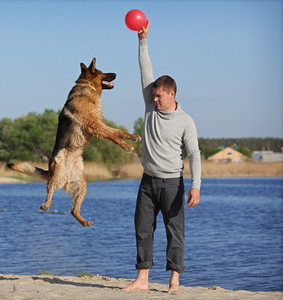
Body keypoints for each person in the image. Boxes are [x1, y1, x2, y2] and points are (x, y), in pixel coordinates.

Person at [123, 21, 201, 293]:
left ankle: (174, 281)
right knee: (143, 229)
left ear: (172, 94)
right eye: (153, 95)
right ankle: (142, 280)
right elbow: (146, 69)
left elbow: (194, 154)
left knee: (174, 232)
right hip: (147, 182)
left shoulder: (185, 121)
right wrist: (142, 41)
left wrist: (196, 186)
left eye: (158, 96)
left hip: (172, 184)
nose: (154, 99)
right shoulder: (149, 105)